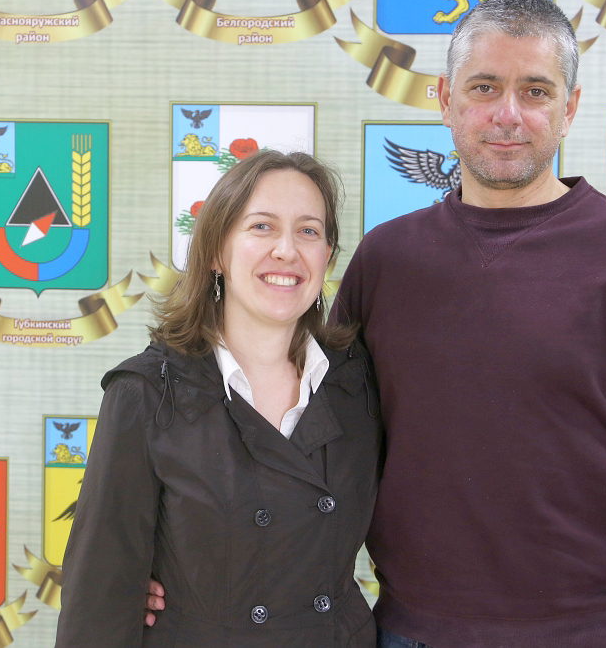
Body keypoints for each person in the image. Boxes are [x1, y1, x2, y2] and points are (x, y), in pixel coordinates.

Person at [145, 0, 606, 647]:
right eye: (484, 87)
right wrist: (184, 557)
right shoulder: (387, 260)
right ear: (444, 99)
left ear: (570, 107)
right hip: (414, 633)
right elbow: (307, 449)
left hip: (603, 633)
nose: (507, 114)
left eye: (536, 91)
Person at [56, 149, 382, 648]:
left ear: (328, 257)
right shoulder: (147, 394)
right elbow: (99, 600)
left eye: (308, 231)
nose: (286, 250)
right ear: (215, 252)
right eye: (261, 227)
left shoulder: (357, 384)